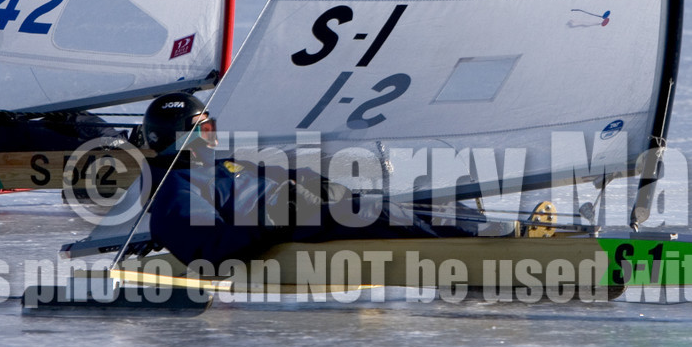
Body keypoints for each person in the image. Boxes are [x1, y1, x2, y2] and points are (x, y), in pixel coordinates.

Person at [141, 92, 493, 265]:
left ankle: (488, 226)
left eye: (211, 125)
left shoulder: (225, 165)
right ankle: (489, 238)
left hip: (311, 210)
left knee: (407, 202)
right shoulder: (176, 189)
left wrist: (317, 183)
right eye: (202, 128)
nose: (212, 134)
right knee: (381, 214)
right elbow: (207, 251)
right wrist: (271, 219)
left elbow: (284, 174)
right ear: (174, 138)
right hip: (292, 228)